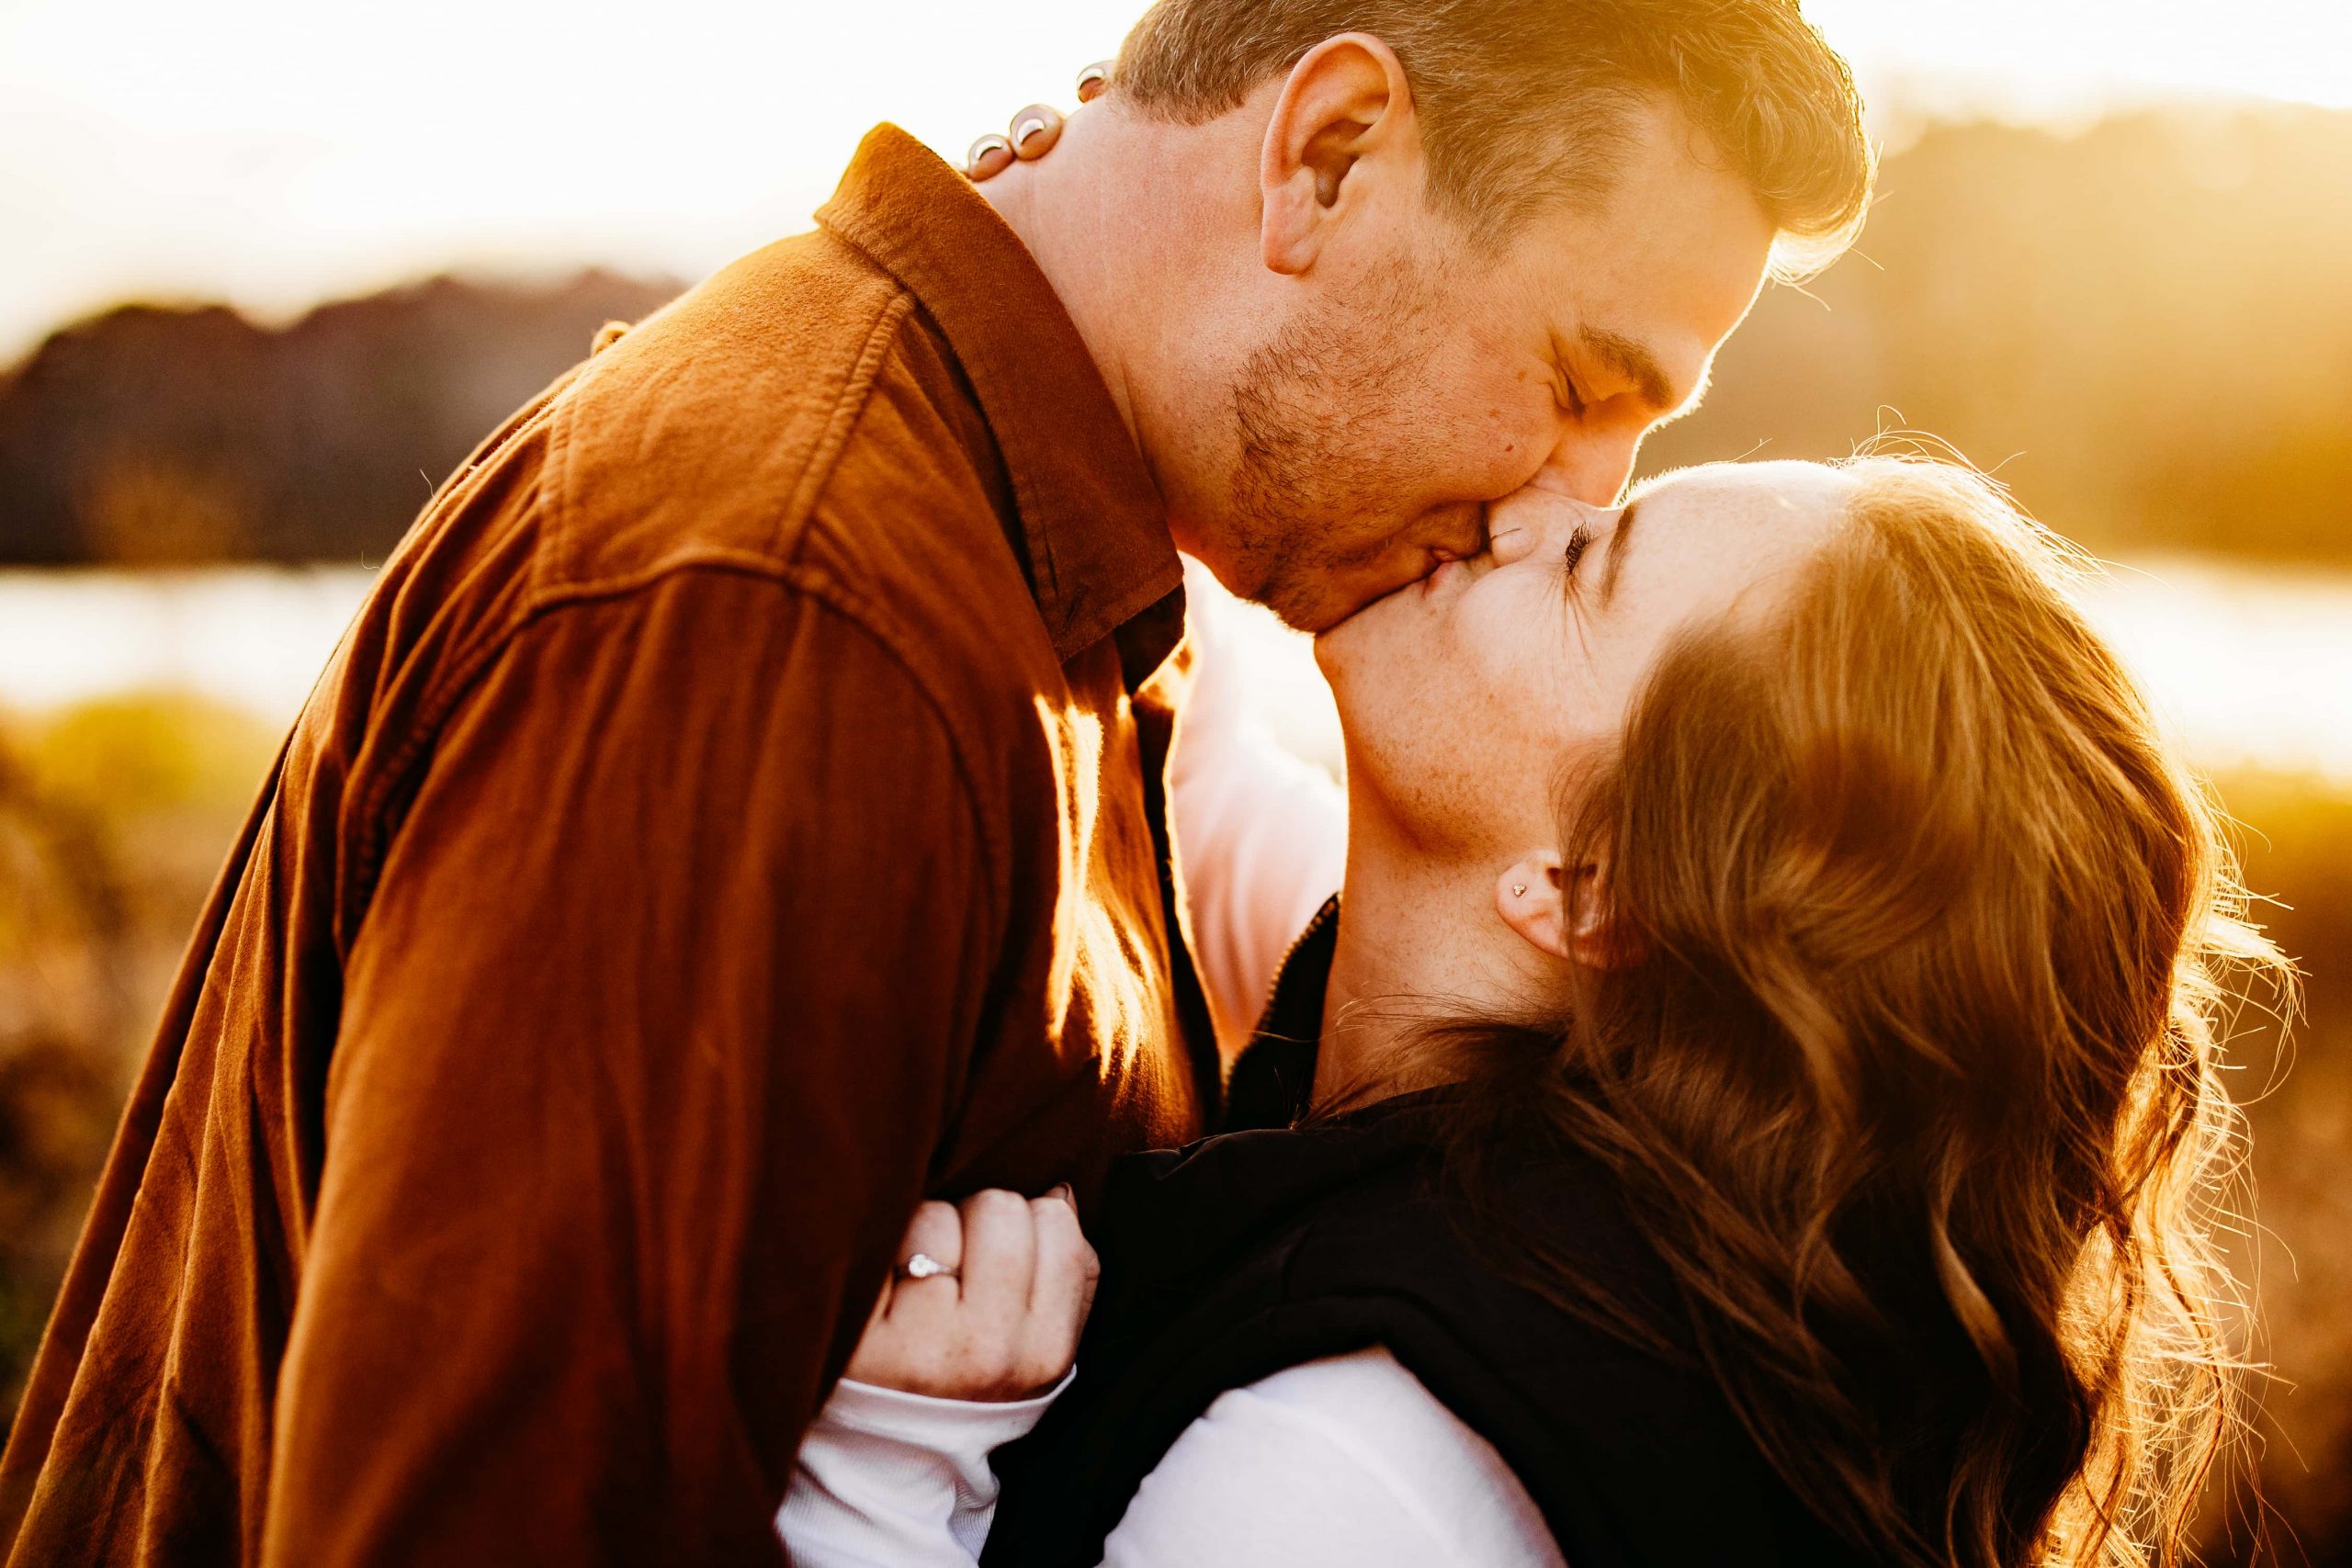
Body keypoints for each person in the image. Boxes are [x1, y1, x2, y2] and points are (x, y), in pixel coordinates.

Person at [0, 4, 1871, 1563]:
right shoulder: (785, 618)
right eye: (1574, 380)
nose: (1570, 500)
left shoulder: (1053, 576)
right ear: (1324, 154)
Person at [774, 457, 2280, 1568]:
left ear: (1592, 890)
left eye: (1584, 566)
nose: (1522, 496)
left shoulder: (1359, 1478)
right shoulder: (1552, 1062)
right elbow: (1205, 792)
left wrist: (891, 1485)